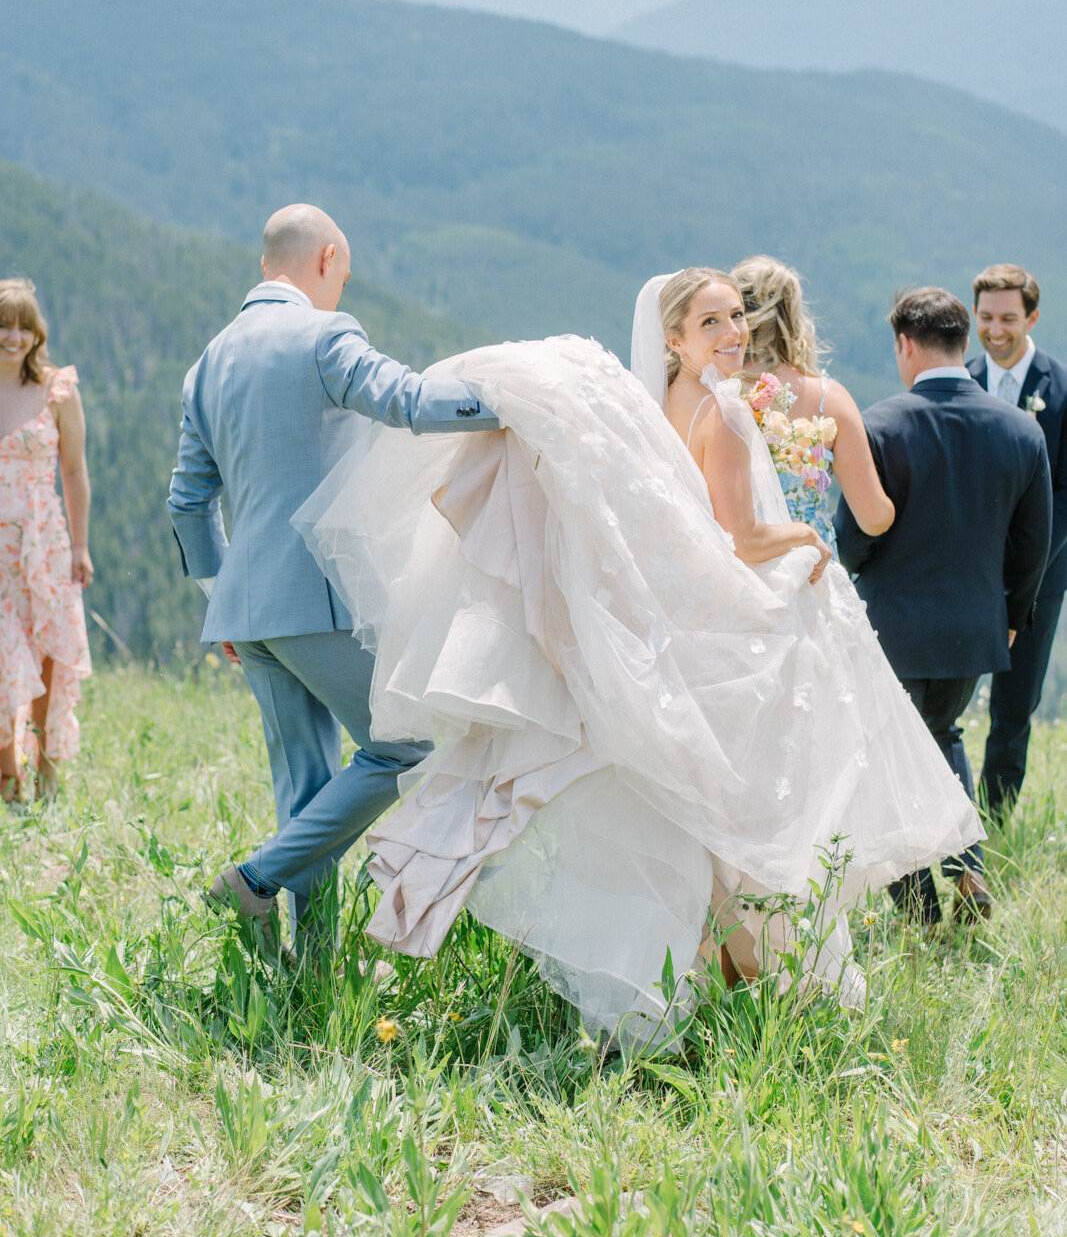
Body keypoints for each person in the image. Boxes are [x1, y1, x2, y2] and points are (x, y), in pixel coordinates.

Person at [295, 268, 984, 1042]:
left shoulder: (653, 411)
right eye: (711, 324)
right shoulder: (722, 412)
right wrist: (803, 537)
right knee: (745, 810)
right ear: (673, 339)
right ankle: (746, 976)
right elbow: (738, 538)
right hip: (714, 624)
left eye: (735, 319)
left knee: (693, 822)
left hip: (669, 626)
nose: (731, 335)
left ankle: (699, 974)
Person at [167, 204, 499, 952]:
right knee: (404, 745)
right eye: (342, 274)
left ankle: (306, 972)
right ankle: (252, 879)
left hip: (245, 613)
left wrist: (219, 595)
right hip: (313, 598)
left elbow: (187, 502)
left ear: (264, 266)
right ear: (326, 257)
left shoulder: (208, 363)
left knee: (305, 789)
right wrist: (514, 402)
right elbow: (409, 402)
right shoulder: (325, 335)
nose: (341, 288)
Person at [835, 287, 1051, 926]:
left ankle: (921, 911)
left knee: (889, 756)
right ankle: (969, 870)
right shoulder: (1021, 429)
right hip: (974, 629)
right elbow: (1032, 543)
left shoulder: (879, 425)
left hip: (893, 627)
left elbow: (853, 538)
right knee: (942, 732)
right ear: (964, 344)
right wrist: (1012, 614)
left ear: (905, 344)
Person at [966, 264, 1067, 821]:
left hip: (1041, 574)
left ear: (1032, 316)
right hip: (965, 571)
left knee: (1014, 703)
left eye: (1008, 318)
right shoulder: (962, 379)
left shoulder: (1062, 389)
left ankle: (995, 815)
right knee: (945, 693)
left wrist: (1023, 573)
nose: (995, 330)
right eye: (985, 317)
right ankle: (949, 813)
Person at [0, 278, 92, 801]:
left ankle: (47, 773)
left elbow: (75, 473)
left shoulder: (59, 390)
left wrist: (80, 546)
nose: (13, 337)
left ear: (37, 333)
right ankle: (7, 775)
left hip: (45, 540)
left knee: (49, 654)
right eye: (3, 325)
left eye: (23, 326)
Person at [732, 255, 894, 552]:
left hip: (733, 567)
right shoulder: (828, 400)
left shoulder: (711, 392)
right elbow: (873, 518)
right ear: (793, 317)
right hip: (807, 569)